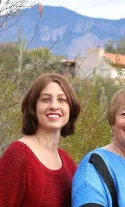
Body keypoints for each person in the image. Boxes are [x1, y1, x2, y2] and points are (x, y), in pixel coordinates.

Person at [0, 73, 81, 206]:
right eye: (45, 99)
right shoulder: (18, 156)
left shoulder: (68, 163)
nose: (54, 106)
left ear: (70, 108)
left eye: (62, 100)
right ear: (33, 107)